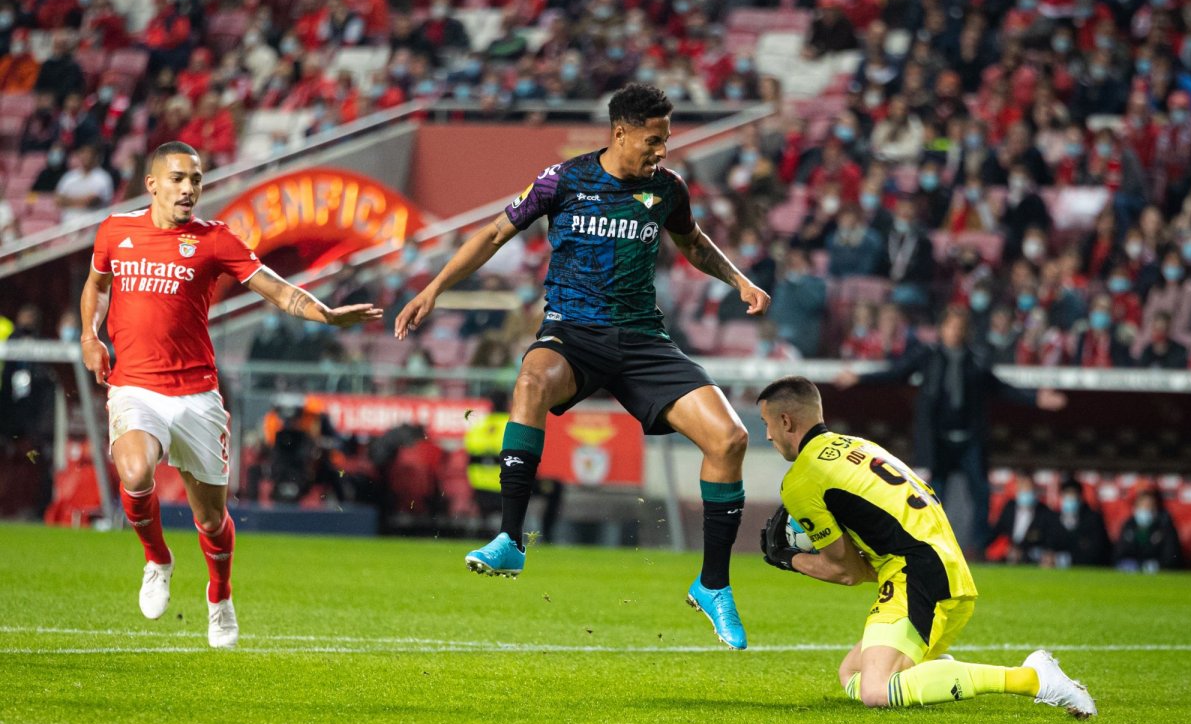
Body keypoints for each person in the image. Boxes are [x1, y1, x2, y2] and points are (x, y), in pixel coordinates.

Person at [395, 84, 770, 650]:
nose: (662, 150)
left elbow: (692, 243)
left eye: (666, 140)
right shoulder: (563, 180)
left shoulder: (667, 190)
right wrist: (434, 289)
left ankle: (712, 584)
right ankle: (510, 541)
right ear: (621, 132)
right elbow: (496, 233)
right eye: (654, 139)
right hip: (572, 333)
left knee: (730, 439)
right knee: (530, 381)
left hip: (643, 340)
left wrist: (738, 279)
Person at [80, 141, 382, 649]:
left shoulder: (215, 240)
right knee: (134, 473)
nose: (189, 189)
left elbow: (279, 290)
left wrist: (325, 314)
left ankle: (219, 596)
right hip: (136, 387)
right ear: (153, 184)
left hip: (196, 396)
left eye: (196, 179)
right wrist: (90, 336)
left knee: (211, 519)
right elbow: (97, 285)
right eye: (178, 179)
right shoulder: (115, 230)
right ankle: (157, 560)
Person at [756, 375, 1096, 717]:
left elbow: (845, 572)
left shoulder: (802, 479)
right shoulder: (860, 446)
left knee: (875, 690)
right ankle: (928, 674)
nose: (768, 435)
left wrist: (786, 557)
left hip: (916, 573)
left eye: (767, 424)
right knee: (852, 674)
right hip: (944, 568)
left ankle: (1032, 679)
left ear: (785, 421)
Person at [835, 306, 1067, 554]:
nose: (956, 332)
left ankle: (979, 548)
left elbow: (1000, 388)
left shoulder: (975, 360)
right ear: (942, 329)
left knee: (980, 493)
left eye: (961, 328)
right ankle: (933, 546)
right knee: (934, 495)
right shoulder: (927, 356)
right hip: (937, 441)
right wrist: (860, 378)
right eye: (952, 326)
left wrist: (1036, 399)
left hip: (970, 439)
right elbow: (896, 373)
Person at [463, 390, 562, 543]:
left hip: (480, 491)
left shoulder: (477, 428)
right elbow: (526, 460)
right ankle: (548, 535)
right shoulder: (513, 426)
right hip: (508, 487)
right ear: (509, 403)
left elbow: (468, 459)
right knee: (555, 487)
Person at [988, 472, 1065, 566]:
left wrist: (1025, 553)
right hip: (1007, 557)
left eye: (1028, 488)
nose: (1025, 492)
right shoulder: (1010, 507)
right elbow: (997, 532)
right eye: (1022, 488)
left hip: (1033, 559)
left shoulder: (1045, 513)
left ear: (1034, 490)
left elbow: (1049, 542)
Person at [1113, 489, 1182, 573]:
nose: (1145, 509)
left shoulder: (1164, 527)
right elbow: (1119, 551)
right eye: (1142, 505)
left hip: (1158, 571)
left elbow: (1171, 554)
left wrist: (1159, 565)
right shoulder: (1129, 525)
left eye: (1149, 506)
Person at [1056, 478, 1111, 568]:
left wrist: (1068, 559)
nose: (1069, 498)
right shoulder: (1055, 518)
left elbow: (1096, 548)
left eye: (1072, 494)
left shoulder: (1093, 519)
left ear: (1080, 497)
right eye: (1067, 494)